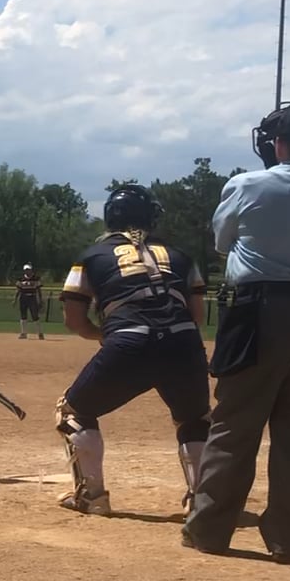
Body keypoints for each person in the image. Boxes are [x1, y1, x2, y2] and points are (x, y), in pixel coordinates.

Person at [184, 102, 290, 563]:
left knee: (235, 425)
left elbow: (222, 242)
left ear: (277, 144)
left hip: (260, 312)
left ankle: (209, 530)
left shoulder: (246, 185)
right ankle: (288, 539)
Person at [53, 185, 209, 516]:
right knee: (194, 419)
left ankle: (91, 497)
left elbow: (73, 319)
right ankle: (203, 502)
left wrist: (103, 335)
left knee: (73, 411)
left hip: (129, 342)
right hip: (184, 344)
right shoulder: (181, 256)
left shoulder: (91, 256)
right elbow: (197, 316)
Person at [15, 263, 45, 339]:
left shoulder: (36, 278)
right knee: (23, 315)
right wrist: (15, 299)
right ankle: (23, 333)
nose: (27, 271)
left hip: (32, 297)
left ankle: (40, 333)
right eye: (26, 270)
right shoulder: (21, 279)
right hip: (23, 298)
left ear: (31, 270)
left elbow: (39, 290)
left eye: (28, 269)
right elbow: (18, 290)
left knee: (35, 315)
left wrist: (40, 300)